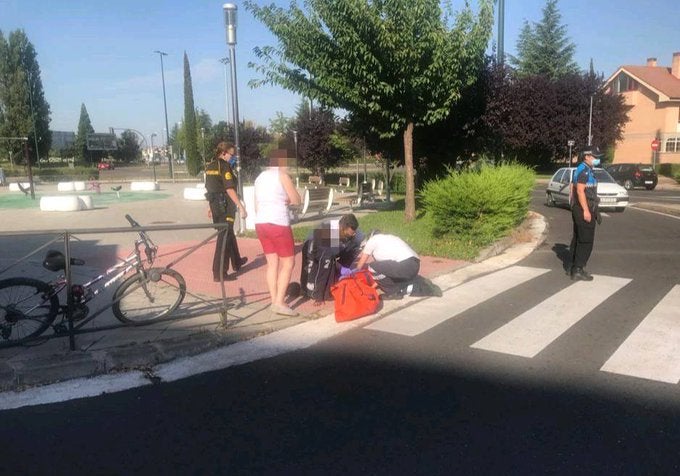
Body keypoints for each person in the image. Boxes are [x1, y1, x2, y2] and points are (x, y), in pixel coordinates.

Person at [254, 149, 302, 316]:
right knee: (288, 263)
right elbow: (296, 200)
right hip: (278, 222)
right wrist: (290, 197)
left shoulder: (259, 178)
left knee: (272, 263)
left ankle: (274, 299)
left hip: (261, 222)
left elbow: (256, 204)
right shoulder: (282, 176)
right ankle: (280, 303)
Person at [205, 141, 248, 282]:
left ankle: (236, 261)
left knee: (228, 233)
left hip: (215, 205)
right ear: (223, 153)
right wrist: (241, 206)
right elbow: (229, 189)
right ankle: (219, 273)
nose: (233, 157)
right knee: (223, 239)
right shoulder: (224, 167)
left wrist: (210, 207)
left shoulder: (210, 166)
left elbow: (211, 188)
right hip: (225, 206)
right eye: (231, 154)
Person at [355, 231, 442, 299]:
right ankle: (423, 286)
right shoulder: (389, 239)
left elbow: (360, 265)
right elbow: (384, 273)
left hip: (405, 265)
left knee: (372, 266)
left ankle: (393, 292)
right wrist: (373, 287)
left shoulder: (372, 240)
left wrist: (353, 275)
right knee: (396, 282)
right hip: (414, 264)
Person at [300, 213, 364, 304]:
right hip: (314, 242)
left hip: (333, 238)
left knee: (356, 241)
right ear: (342, 228)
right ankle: (305, 288)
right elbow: (323, 267)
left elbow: (353, 239)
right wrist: (319, 297)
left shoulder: (355, 235)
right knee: (321, 265)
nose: (349, 237)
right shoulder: (328, 234)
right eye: (347, 235)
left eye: (352, 234)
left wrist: (340, 267)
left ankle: (337, 273)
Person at [569, 145, 603, 281]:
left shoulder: (585, 169)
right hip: (584, 209)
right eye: (595, 157)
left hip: (583, 208)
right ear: (587, 156)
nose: (597, 159)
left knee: (579, 238)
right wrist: (586, 210)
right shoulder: (584, 171)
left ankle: (574, 267)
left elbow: (573, 187)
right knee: (586, 241)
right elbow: (580, 191)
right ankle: (578, 269)